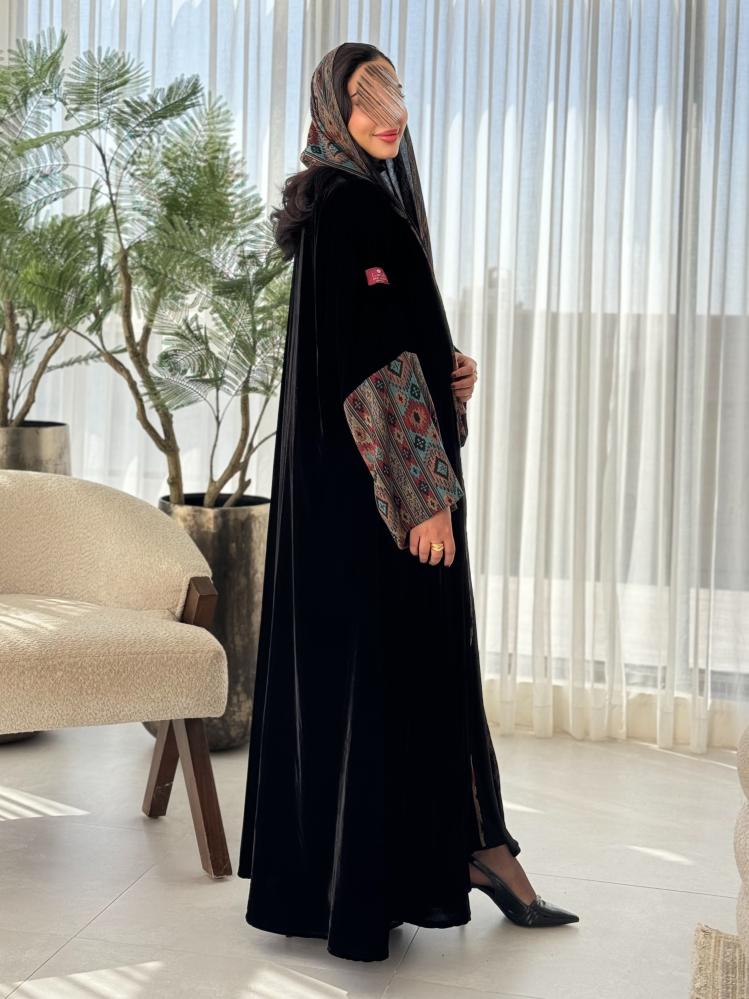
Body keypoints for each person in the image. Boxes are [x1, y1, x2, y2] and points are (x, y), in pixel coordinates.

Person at [237, 41, 579, 963]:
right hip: (384, 502)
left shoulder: (355, 200)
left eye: (393, 90)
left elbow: (379, 340)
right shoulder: (350, 205)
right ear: (330, 107)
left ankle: (468, 849)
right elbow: (370, 369)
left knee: (414, 673)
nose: (386, 111)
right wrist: (423, 499)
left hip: (366, 491)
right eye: (364, 95)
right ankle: (464, 855)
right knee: (416, 671)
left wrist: (446, 369)